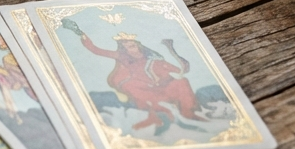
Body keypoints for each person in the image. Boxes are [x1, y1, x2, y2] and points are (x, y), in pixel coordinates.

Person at [69, 24, 205, 133]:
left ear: (137, 44)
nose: (130, 48)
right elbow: (96, 50)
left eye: (132, 44)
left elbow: (177, 70)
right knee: (130, 86)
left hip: (159, 86)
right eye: (126, 46)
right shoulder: (121, 56)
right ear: (123, 49)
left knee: (182, 81)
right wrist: (82, 34)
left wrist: (182, 69)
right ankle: (159, 115)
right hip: (141, 87)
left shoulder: (152, 56)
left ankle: (188, 113)